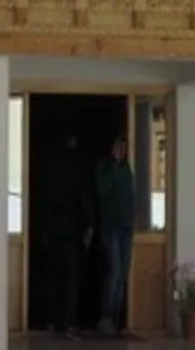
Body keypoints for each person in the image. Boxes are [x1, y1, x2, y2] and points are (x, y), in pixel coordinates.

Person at [38, 131, 92, 338]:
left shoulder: (50, 166)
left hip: (52, 228)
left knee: (53, 277)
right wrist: (89, 225)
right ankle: (69, 323)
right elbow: (83, 196)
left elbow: (42, 198)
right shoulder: (76, 166)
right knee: (70, 279)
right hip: (70, 229)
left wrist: (42, 229)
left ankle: (51, 321)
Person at [95, 133, 138, 337]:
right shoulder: (105, 167)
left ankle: (116, 320)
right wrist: (113, 163)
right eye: (119, 145)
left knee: (122, 275)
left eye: (125, 146)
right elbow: (103, 190)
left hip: (126, 227)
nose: (123, 149)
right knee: (114, 271)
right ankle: (105, 319)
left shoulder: (127, 169)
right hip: (111, 227)